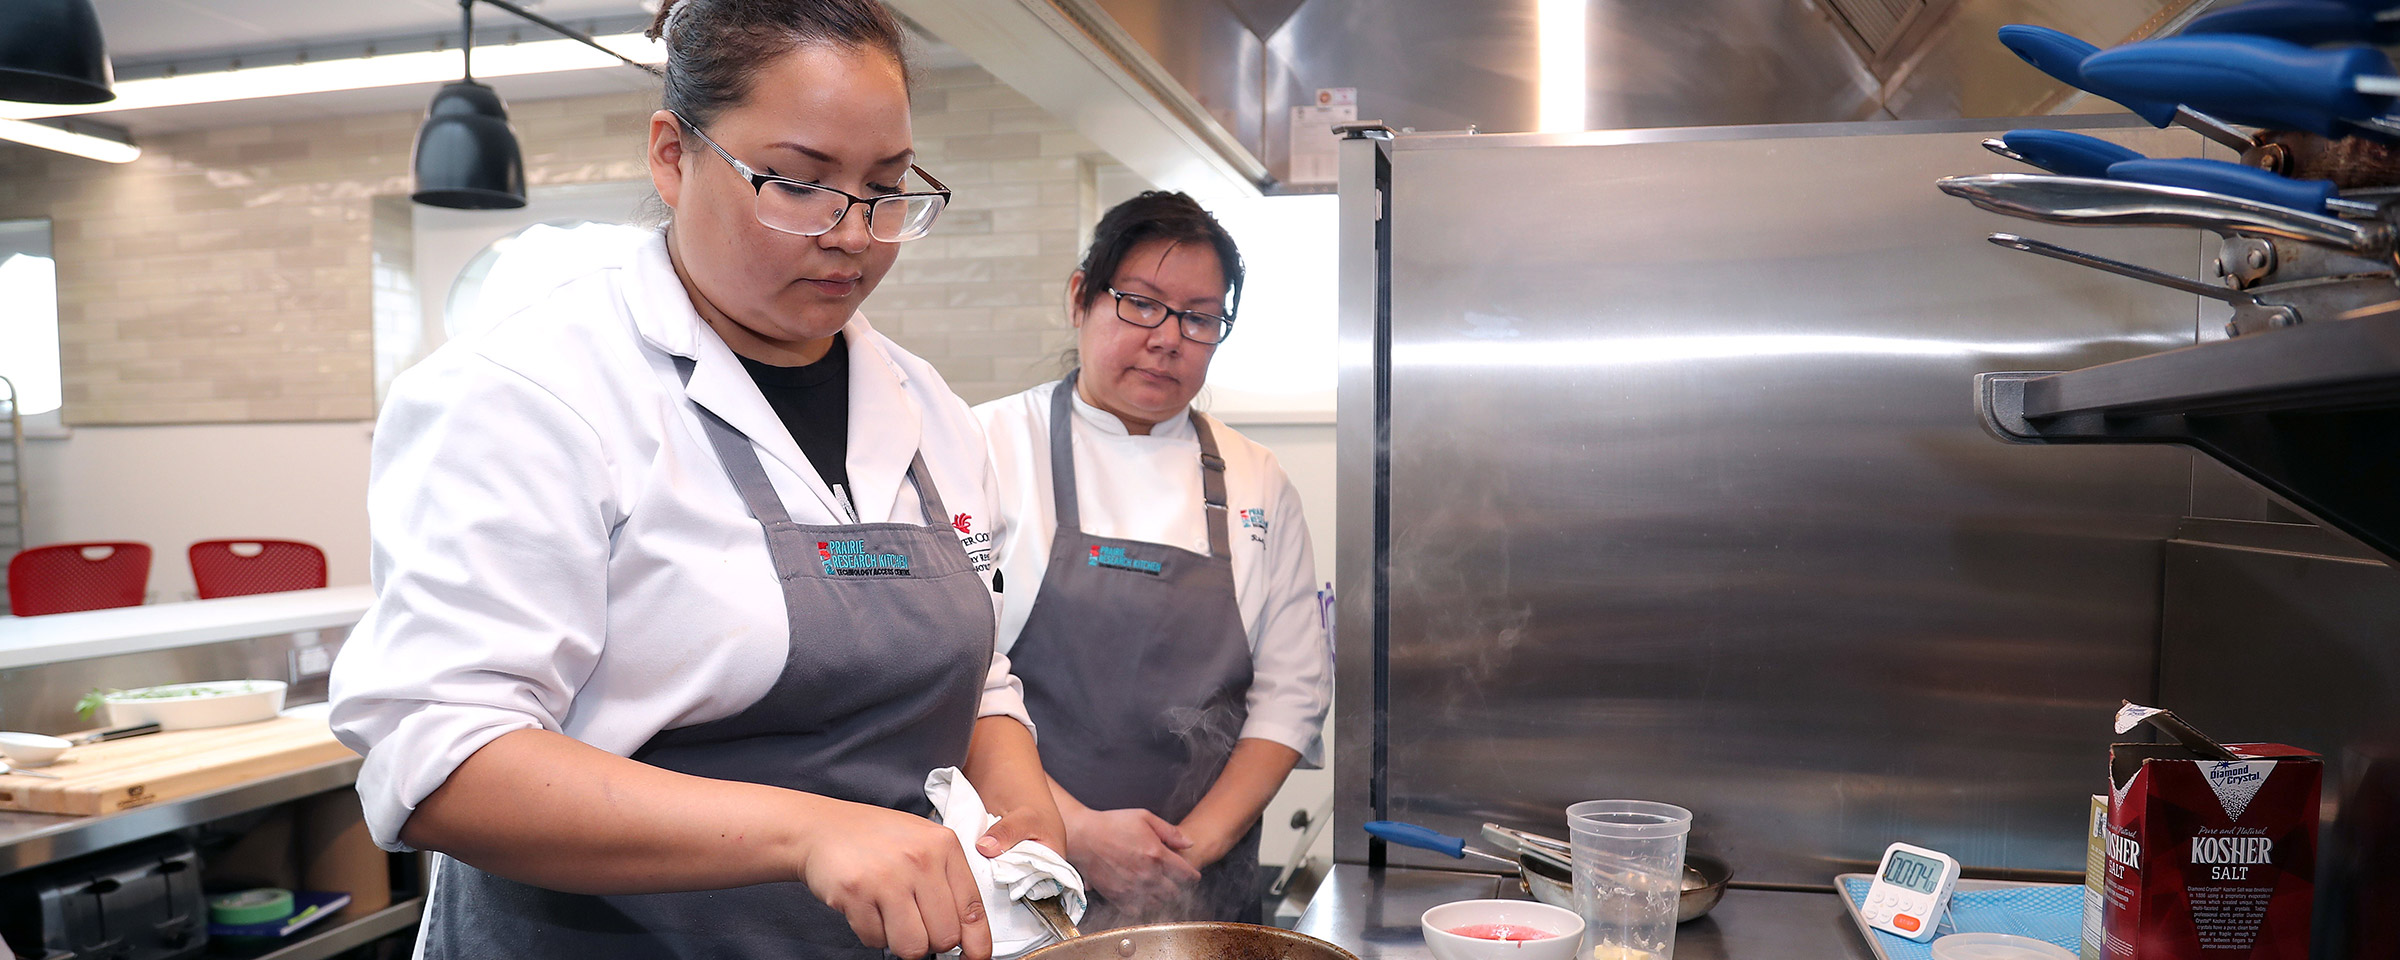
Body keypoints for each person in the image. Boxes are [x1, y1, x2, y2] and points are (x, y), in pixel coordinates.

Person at [326, 2, 1061, 957]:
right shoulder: (530, 393)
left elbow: (981, 674)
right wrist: (807, 831)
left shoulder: (930, 412)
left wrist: (1022, 803)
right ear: (673, 156)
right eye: (799, 183)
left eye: (886, 188)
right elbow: (436, 757)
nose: (853, 234)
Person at [973, 192, 1332, 926]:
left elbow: (1293, 692)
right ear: (1081, 297)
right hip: (1022, 886)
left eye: (1200, 317)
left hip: (1198, 898)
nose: (1169, 338)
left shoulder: (1256, 478)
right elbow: (960, 677)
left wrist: (1179, 856)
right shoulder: (983, 448)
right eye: (1141, 303)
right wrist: (1073, 830)